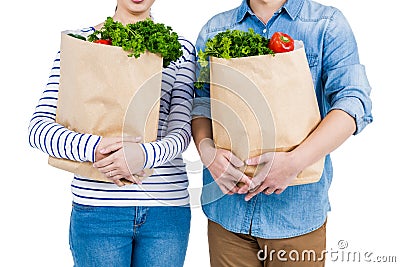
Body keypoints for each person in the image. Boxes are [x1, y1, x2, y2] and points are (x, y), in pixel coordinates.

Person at [191, 0, 373, 266]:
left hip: (296, 217)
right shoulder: (215, 29)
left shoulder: (327, 24)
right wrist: (208, 154)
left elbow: (354, 103)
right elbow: (201, 103)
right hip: (227, 215)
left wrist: (295, 162)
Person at [28, 0, 196, 266]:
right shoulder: (79, 44)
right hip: (98, 211)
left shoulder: (181, 49)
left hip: (166, 211)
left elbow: (182, 130)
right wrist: (97, 148)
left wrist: (143, 155)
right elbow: (39, 128)